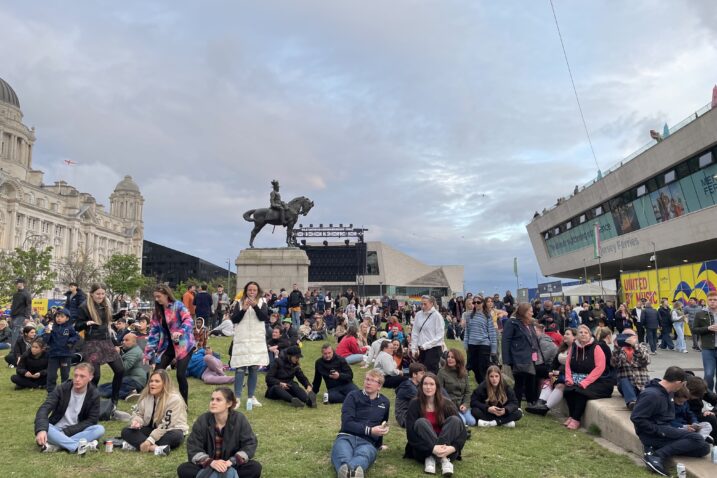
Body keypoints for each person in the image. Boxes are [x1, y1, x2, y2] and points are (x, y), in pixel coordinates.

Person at [631, 366, 711, 476]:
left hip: (667, 430)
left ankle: (656, 449)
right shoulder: (652, 395)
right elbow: (637, 418)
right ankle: (656, 455)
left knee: (704, 448)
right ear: (678, 382)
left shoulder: (668, 393)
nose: (683, 387)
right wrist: (659, 431)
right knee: (696, 438)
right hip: (653, 433)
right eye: (683, 384)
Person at [177, 387, 262, 478]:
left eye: (218, 400)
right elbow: (193, 446)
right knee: (184, 469)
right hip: (209, 465)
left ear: (229, 403)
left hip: (231, 464)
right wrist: (211, 462)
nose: (213, 402)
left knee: (254, 467)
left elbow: (250, 444)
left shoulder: (239, 419)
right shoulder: (203, 420)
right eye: (212, 399)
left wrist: (231, 462)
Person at [330, 369, 391, 478]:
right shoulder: (353, 396)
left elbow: (383, 422)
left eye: (373, 380)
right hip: (346, 437)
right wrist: (370, 431)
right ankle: (351, 472)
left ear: (379, 386)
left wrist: (380, 441)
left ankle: (349, 472)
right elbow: (347, 423)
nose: (368, 382)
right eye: (367, 379)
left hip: (368, 442)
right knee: (342, 456)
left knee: (364, 456)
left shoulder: (385, 402)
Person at [404, 372, 467, 476]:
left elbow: (463, 431)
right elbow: (410, 435)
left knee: (455, 420)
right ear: (421, 386)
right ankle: (438, 459)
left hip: (448, 451)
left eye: (432, 384)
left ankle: (441, 458)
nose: (428, 387)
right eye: (425, 384)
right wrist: (432, 449)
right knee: (421, 422)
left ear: (437, 387)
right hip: (423, 450)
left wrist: (453, 448)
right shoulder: (414, 404)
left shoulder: (447, 403)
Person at [34, 362, 104, 454]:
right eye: (75, 375)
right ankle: (76, 447)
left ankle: (57, 445)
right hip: (56, 429)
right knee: (45, 427)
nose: (77, 379)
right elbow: (44, 408)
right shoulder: (62, 389)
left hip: (77, 430)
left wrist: (66, 432)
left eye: (82, 376)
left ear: (90, 378)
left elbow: (92, 420)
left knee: (99, 429)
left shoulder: (94, 394)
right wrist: (42, 430)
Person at [144, 284, 195, 404]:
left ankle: (184, 405)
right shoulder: (157, 312)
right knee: (157, 373)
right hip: (167, 346)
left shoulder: (178, 305)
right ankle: (156, 402)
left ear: (166, 294)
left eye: (159, 296)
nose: (156, 299)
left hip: (184, 345)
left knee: (180, 375)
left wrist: (180, 331)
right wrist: (147, 353)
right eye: (155, 297)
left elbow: (188, 320)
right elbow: (153, 333)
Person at [75, 283, 125, 405]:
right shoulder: (84, 307)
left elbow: (107, 320)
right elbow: (77, 326)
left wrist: (118, 315)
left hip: (106, 341)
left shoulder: (105, 305)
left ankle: (114, 400)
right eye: (98, 294)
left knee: (120, 370)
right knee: (95, 376)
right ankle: (88, 401)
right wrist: (87, 323)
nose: (100, 296)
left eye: (103, 293)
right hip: (92, 343)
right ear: (91, 294)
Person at [121, 369, 188, 456]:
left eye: (157, 381)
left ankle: (136, 445)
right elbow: (139, 414)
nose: (152, 384)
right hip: (152, 428)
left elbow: (166, 425)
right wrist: (136, 421)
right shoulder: (146, 396)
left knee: (176, 437)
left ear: (164, 384)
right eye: (151, 381)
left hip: (170, 430)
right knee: (126, 431)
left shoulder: (174, 399)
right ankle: (155, 449)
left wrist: (150, 440)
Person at [562, 325, 615, 430]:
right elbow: (567, 364)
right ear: (577, 336)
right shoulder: (574, 347)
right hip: (577, 377)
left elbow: (600, 368)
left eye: (586, 332)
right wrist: (568, 378)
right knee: (568, 390)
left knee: (581, 392)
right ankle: (571, 416)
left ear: (590, 335)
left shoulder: (596, 347)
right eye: (580, 332)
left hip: (599, 381)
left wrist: (585, 382)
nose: (583, 334)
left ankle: (576, 419)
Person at [230, 281, 270, 410]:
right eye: (249, 290)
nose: (252, 292)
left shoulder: (262, 302)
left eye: (254, 290)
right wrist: (244, 309)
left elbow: (264, 317)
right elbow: (234, 319)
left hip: (256, 339)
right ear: (246, 291)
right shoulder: (239, 303)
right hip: (242, 338)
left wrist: (255, 307)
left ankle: (251, 396)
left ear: (258, 291)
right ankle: (236, 397)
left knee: (253, 367)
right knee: (240, 367)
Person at [502, 302, 541, 406]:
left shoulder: (530, 323)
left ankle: (531, 402)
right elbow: (506, 340)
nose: (532, 313)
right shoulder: (512, 322)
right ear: (524, 312)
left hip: (531, 357)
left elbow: (534, 339)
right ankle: (516, 404)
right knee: (519, 382)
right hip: (518, 357)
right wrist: (507, 359)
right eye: (530, 311)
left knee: (531, 380)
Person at [100, 333, 147, 400]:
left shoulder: (133, 352)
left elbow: (121, 369)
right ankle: (131, 391)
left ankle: (130, 393)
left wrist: (116, 355)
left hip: (134, 381)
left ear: (134, 342)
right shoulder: (134, 350)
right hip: (134, 380)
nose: (123, 342)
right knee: (104, 386)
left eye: (127, 340)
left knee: (108, 391)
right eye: (123, 340)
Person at [42, 308, 80, 393]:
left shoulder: (69, 328)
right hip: (53, 355)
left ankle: (64, 391)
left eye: (62, 317)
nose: (59, 318)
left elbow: (76, 337)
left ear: (67, 318)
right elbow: (45, 340)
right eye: (57, 316)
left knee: (65, 375)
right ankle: (51, 392)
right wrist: (48, 333)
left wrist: (70, 342)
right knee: (51, 375)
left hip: (65, 355)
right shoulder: (51, 327)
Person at [611, 328, 650, 410]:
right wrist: (617, 348)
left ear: (636, 337)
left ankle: (641, 401)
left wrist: (635, 346)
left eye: (630, 336)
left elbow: (646, 360)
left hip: (642, 383)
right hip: (626, 385)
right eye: (624, 336)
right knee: (623, 380)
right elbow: (613, 364)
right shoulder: (619, 350)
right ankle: (632, 403)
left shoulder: (642, 347)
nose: (627, 338)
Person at [463, 296, 497, 385]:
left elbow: (492, 333)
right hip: (472, 345)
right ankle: (482, 386)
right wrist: (466, 344)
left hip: (484, 345)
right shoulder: (469, 316)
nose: (476, 304)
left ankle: (485, 388)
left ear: (482, 303)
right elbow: (467, 331)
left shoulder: (487, 315)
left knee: (483, 368)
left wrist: (493, 349)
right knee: (474, 367)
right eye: (474, 303)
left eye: (478, 302)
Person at [438, 348, 475, 426]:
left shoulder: (464, 372)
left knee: (472, 422)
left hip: (461, 405)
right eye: (448, 357)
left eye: (452, 357)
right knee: (462, 422)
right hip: (449, 406)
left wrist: (465, 404)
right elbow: (439, 392)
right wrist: (450, 406)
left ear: (458, 359)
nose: (449, 359)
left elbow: (468, 392)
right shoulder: (442, 372)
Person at [410, 295, 445, 374]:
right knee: (421, 371)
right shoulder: (418, 314)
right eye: (421, 304)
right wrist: (413, 348)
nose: (422, 306)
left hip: (433, 348)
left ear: (431, 304)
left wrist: (426, 345)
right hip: (421, 349)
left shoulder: (437, 316)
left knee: (430, 372)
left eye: (425, 304)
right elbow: (415, 332)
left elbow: (440, 336)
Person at [692, 290, 717, 392]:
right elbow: (694, 330)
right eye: (710, 300)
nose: (712, 302)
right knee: (709, 374)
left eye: (715, 300)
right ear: (707, 300)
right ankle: (709, 396)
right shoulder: (700, 314)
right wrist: (708, 328)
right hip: (708, 349)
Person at [395, 363, 427, 428]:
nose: (424, 376)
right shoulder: (409, 387)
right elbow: (425, 401)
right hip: (404, 418)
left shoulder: (415, 385)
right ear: (414, 375)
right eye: (422, 373)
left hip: (410, 415)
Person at [10, 278, 32, 345]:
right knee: (17, 333)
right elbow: (13, 306)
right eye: (16, 283)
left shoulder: (27, 294)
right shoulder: (15, 294)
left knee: (15, 332)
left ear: (23, 284)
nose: (17, 284)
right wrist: (11, 316)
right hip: (14, 316)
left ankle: (13, 351)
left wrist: (27, 317)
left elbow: (29, 306)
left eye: (18, 282)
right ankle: (20, 349)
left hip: (21, 315)